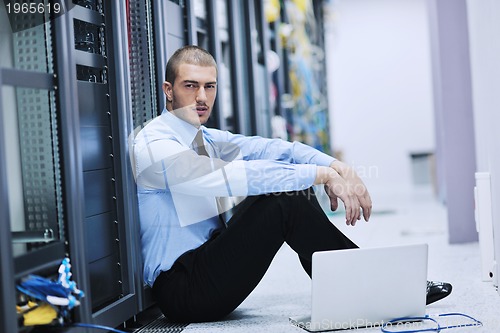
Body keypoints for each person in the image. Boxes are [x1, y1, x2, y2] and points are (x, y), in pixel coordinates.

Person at [131, 45, 452, 323]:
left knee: (288, 192)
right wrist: (320, 177)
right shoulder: (154, 145)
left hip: (208, 264)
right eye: (191, 86)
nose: (202, 97)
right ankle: (377, 287)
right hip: (183, 290)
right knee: (286, 200)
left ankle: (366, 286)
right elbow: (230, 178)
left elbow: (276, 149)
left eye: (210, 86)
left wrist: (334, 165)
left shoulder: (208, 139)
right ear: (168, 90)